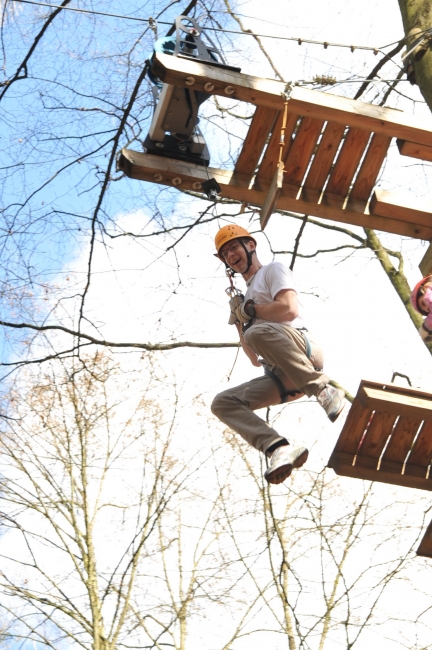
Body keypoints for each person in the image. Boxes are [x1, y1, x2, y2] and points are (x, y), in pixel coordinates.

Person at [211, 224, 346, 485]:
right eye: (225, 253)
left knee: (256, 333)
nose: (230, 255)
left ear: (250, 246)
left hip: (303, 351)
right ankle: (277, 448)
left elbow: (288, 310)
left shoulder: (273, 270)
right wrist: (239, 319)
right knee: (222, 402)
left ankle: (323, 390)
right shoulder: (246, 298)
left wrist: (253, 311)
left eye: (234, 247)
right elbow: (252, 358)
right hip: (282, 373)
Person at [410, 274, 432, 341]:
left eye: (423, 303)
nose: (427, 308)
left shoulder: (428, 291)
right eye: (427, 311)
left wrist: (426, 327)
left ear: (424, 288)